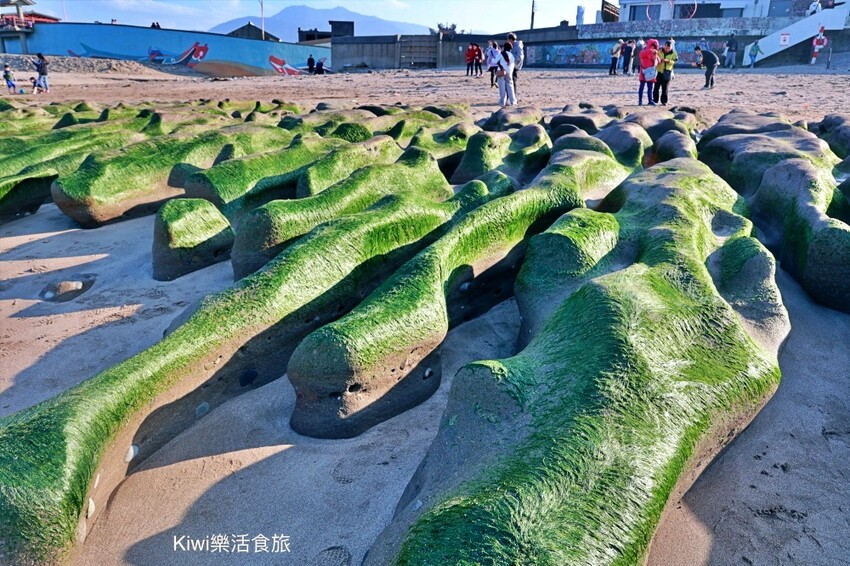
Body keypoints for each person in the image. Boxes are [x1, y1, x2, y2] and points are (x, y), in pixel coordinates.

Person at [653, 40, 678, 106]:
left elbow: (675, 61)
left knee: (665, 88)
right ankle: (655, 100)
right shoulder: (659, 51)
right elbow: (655, 58)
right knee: (656, 87)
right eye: (666, 47)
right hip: (658, 71)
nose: (667, 49)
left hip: (667, 72)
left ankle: (664, 101)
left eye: (668, 48)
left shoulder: (673, 53)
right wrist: (659, 60)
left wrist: (668, 61)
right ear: (664, 46)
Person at [638, 38, 659, 106]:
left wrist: (655, 55)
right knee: (642, 87)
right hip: (644, 71)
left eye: (654, 46)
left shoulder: (654, 52)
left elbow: (658, 60)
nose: (652, 47)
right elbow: (642, 55)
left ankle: (650, 100)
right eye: (652, 45)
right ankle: (640, 101)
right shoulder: (644, 51)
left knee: (650, 88)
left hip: (650, 71)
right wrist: (651, 51)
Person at [495, 41, 516, 107]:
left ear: (504, 47)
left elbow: (494, 61)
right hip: (509, 72)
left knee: (502, 88)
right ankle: (513, 101)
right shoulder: (512, 55)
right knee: (510, 86)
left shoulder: (501, 54)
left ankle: (502, 102)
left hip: (501, 72)